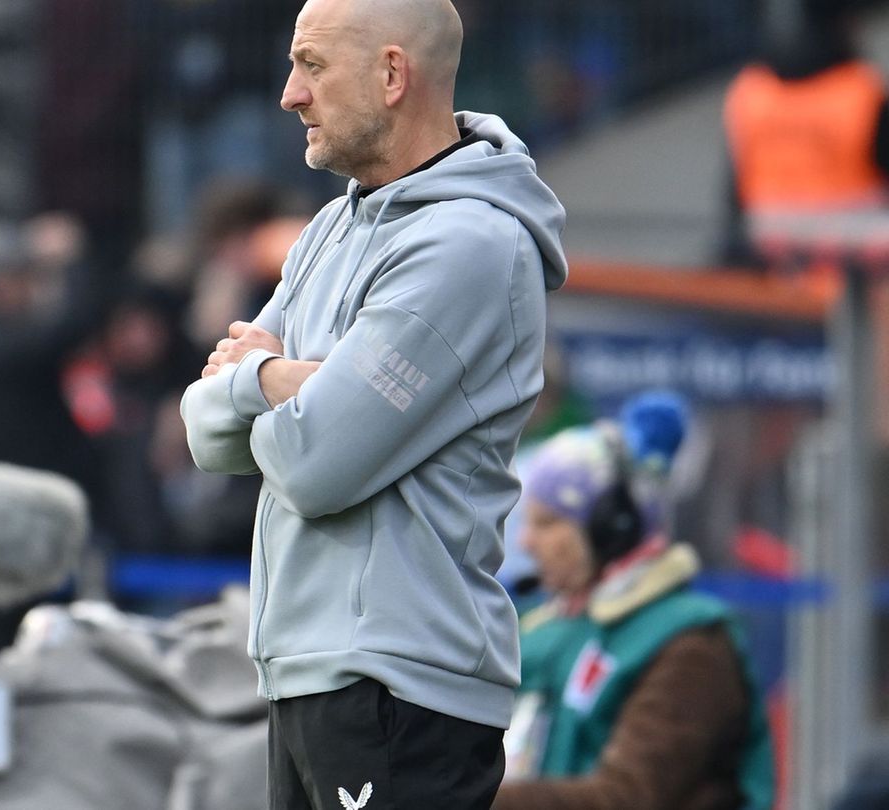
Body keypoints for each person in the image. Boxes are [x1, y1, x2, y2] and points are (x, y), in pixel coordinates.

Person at [179, 0, 568, 805]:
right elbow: (206, 433)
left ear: (393, 75)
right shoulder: (329, 226)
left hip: (400, 687)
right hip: (314, 674)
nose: (290, 94)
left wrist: (267, 377)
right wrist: (288, 380)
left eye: (312, 65)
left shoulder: (471, 243)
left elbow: (314, 463)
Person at [494, 394, 775, 810]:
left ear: (615, 527)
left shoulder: (692, 644)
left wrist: (467, 801)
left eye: (548, 522)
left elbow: (626, 798)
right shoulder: (540, 630)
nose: (526, 542)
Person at [722, 0, 889, 266]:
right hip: (857, 259)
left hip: (768, 255)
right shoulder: (861, 91)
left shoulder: (750, 90)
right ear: (846, 24)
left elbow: (734, 200)